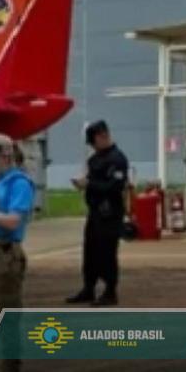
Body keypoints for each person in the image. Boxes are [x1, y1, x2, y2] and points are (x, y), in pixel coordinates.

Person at [0, 134, 34, 372]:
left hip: (6, 253)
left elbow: (14, 220)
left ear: (4, 157)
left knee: (7, 319)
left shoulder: (19, 183)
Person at [66, 120, 129, 306]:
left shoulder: (117, 159)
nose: (93, 147)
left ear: (102, 136)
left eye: (94, 142)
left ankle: (110, 291)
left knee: (107, 253)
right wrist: (84, 183)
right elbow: (93, 179)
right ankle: (89, 288)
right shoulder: (95, 159)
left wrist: (89, 184)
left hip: (110, 214)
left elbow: (115, 186)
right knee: (90, 252)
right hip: (95, 213)